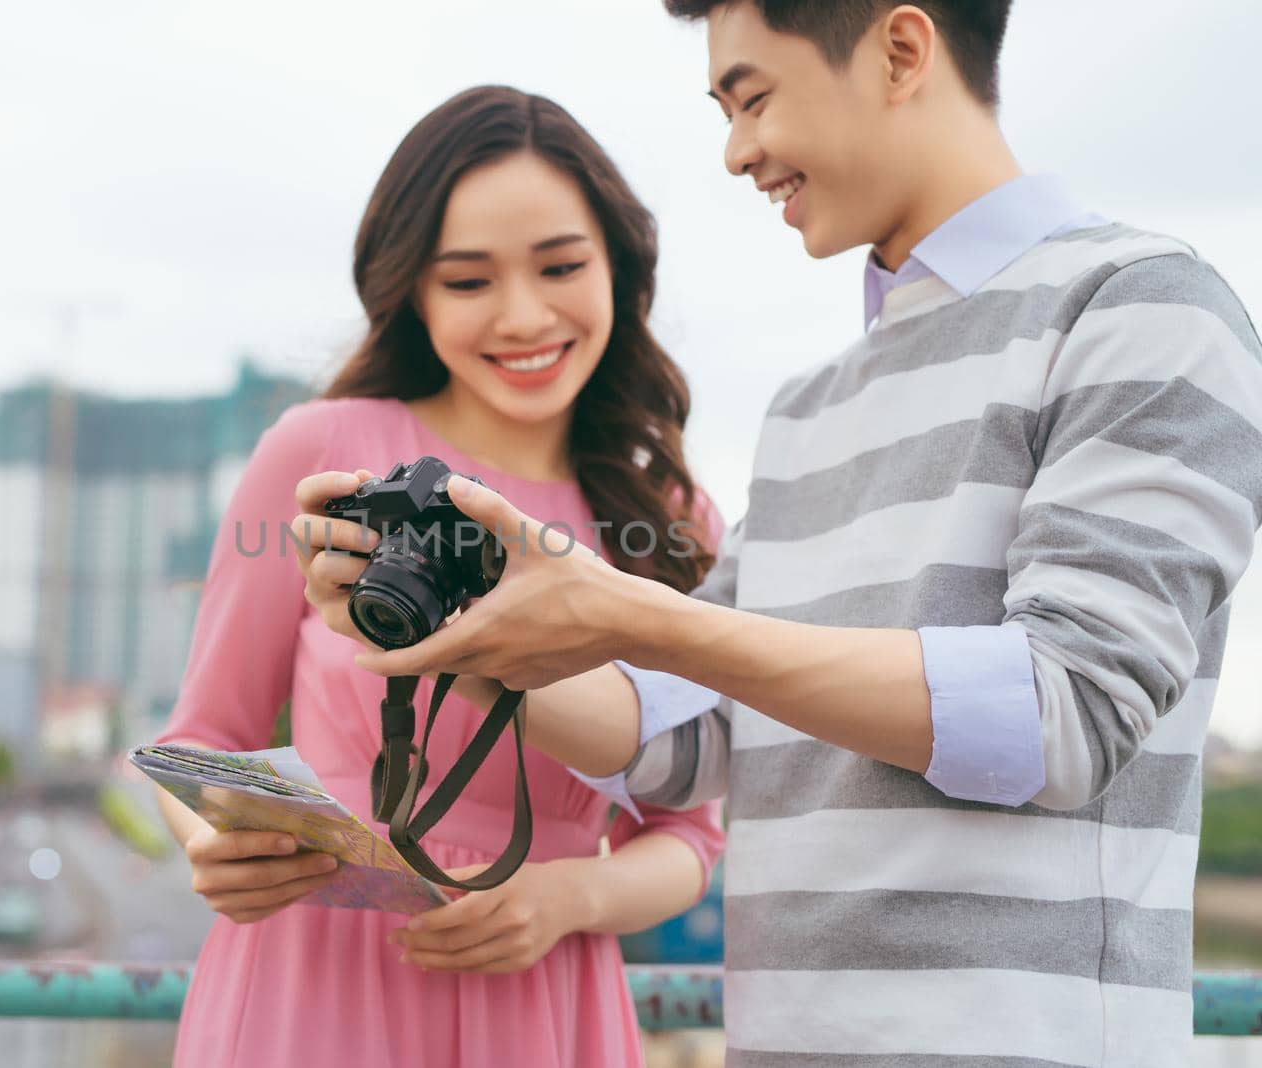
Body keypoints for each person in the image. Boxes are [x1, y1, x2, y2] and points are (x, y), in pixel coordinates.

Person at [294, 3, 1262, 1065]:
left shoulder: (1140, 309)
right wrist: (461, 639)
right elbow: (685, 737)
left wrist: (628, 613)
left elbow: (1064, 712)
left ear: (900, 50)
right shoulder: (806, 409)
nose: (735, 150)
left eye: (752, 96)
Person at [154, 84, 725, 1068]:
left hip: (541, 992)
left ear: (618, 267)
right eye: (467, 281)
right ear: (413, 291)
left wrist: (567, 898)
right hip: (311, 987)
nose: (522, 315)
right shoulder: (325, 450)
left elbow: (689, 834)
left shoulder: (667, 517)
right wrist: (215, 844)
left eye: (559, 266)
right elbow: (201, 742)